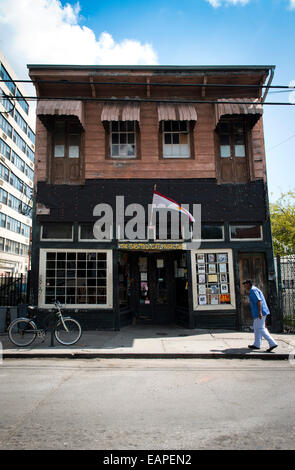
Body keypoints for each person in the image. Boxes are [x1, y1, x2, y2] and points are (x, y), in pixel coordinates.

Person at [243, 279, 278, 352]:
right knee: (256, 327)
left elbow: (259, 301)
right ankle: (257, 344)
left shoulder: (253, 291)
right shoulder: (254, 290)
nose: (244, 286)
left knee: (260, 328)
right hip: (258, 312)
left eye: (245, 284)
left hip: (260, 312)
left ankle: (272, 343)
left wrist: (260, 312)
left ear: (249, 284)